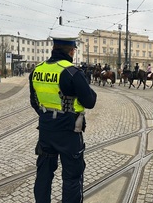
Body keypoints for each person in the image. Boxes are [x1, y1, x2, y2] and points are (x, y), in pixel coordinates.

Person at [29, 36, 97, 203]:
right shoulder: (72, 72)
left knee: (44, 173)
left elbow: (34, 102)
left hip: (46, 129)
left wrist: (47, 115)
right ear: (72, 51)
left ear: (53, 48)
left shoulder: (37, 70)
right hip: (69, 130)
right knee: (72, 177)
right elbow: (90, 101)